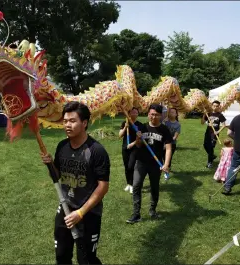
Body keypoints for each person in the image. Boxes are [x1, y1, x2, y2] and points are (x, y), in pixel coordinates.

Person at [40, 101, 110, 264]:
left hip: (88, 212)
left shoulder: (96, 151)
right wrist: (50, 164)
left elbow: (103, 186)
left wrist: (80, 213)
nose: (67, 125)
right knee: (62, 256)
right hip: (65, 208)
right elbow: (58, 177)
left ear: (84, 123)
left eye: (72, 121)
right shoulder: (62, 146)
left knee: (86, 260)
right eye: (65, 121)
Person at [126, 104, 172, 224]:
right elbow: (138, 145)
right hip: (141, 162)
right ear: (148, 114)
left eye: (156, 114)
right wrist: (138, 139)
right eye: (151, 114)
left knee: (154, 187)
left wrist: (166, 164)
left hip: (156, 164)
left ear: (161, 115)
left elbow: (168, 148)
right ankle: (136, 214)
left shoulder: (164, 130)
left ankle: (152, 210)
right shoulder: (142, 127)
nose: (153, 117)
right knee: (136, 186)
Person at [118, 107, 143, 193]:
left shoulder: (140, 125)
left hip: (134, 148)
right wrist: (125, 127)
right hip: (125, 147)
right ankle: (128, 184)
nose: (134, 114)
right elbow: (120, 135)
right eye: (132, 112)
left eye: (136, 112)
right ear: (129, 114)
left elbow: (141, 139)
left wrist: (132, 144)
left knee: (130, 166)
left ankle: (132, 184)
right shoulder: (125, 122)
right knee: (126, 166)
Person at [201, 100, 226, 168]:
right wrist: (204, 115)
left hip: (214, 133)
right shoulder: (208, 113)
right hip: (208, 132)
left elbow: (224, 125)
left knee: (211, 147)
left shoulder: (220, 115)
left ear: (218, 107)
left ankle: (210, 163)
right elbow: (202, 122)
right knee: (205, 145)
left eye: (217, 106)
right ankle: (212, 156)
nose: (215, 107)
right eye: (214, 106)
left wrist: (218, 131)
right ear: (212, 106)